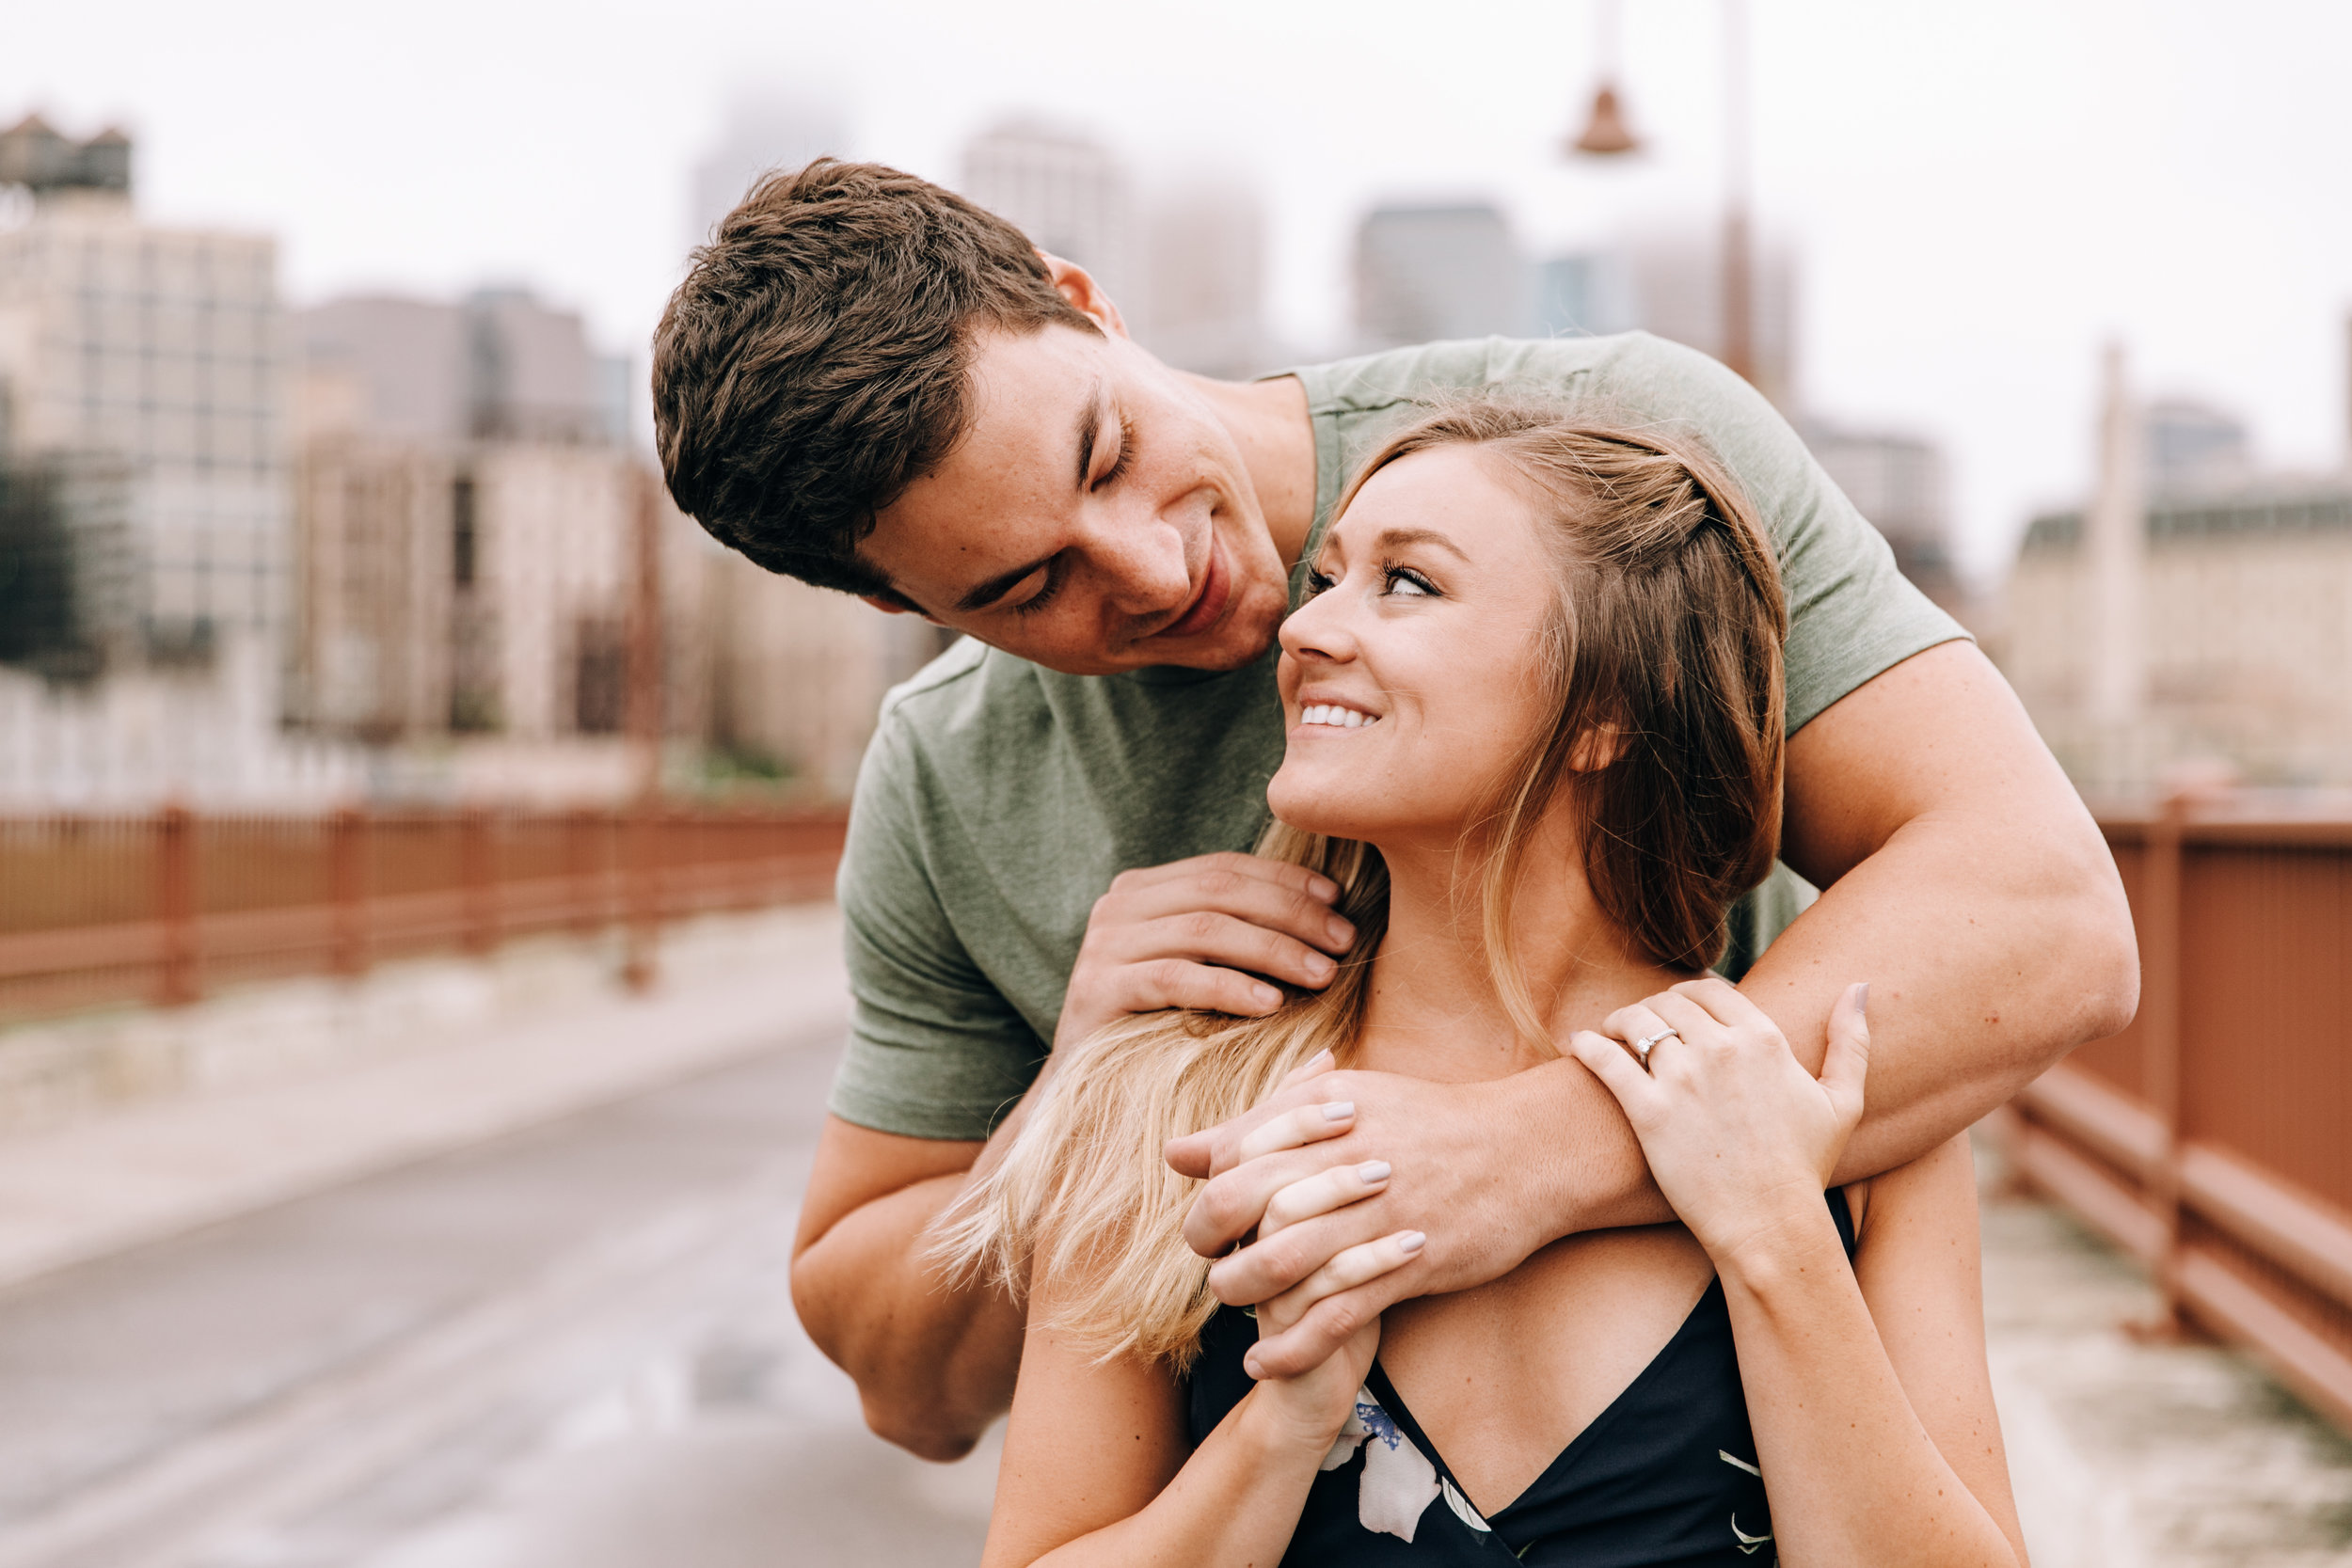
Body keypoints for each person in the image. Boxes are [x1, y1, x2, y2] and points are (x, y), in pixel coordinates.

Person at [650, 159, 2137, 1459]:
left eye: (1105, 453)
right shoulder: (946, 781)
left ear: (1082, 298)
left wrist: (1520, 1158)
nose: (1155, 571)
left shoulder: (1612, 459)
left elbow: (2045, 911)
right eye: (1025, 585)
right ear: (889, 599)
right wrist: (1073, 1092)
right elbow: (908, 1385)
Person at [948, 400, 2027, 1565]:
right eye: (1327, 577)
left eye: (1404, 583)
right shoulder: (1164, 1095)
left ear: (1605, 706)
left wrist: (1774, 1237)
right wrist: (1282, 1427)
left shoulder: (1831, 1106)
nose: (1307, 628)